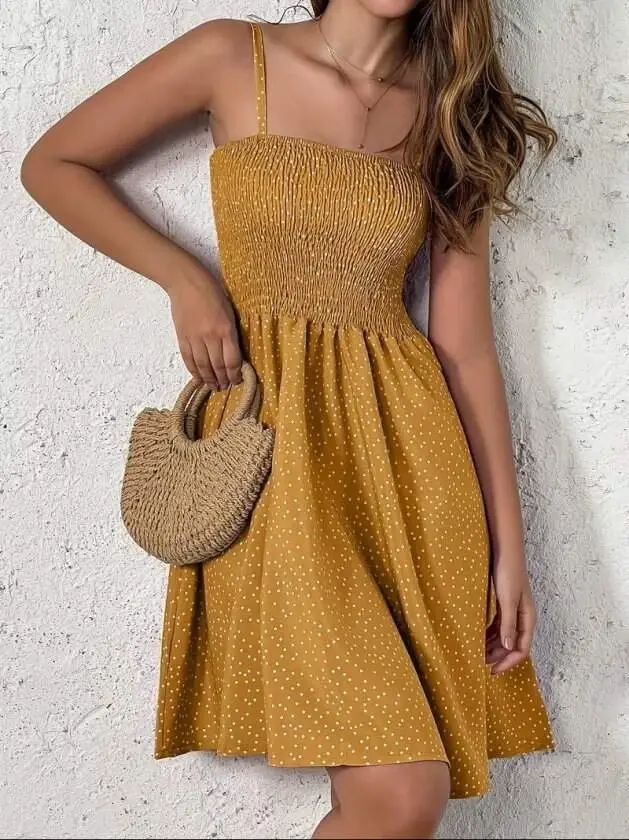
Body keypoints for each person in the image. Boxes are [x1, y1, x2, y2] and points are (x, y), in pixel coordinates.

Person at [20, 1, 558, 837]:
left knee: (404, 796)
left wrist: (508, 550)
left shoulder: (451, 108)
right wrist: (183, 279)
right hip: (274, 459)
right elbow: (54, 163)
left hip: (409, 471)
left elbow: (465, 349)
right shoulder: (230, 55)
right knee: (401, 795)